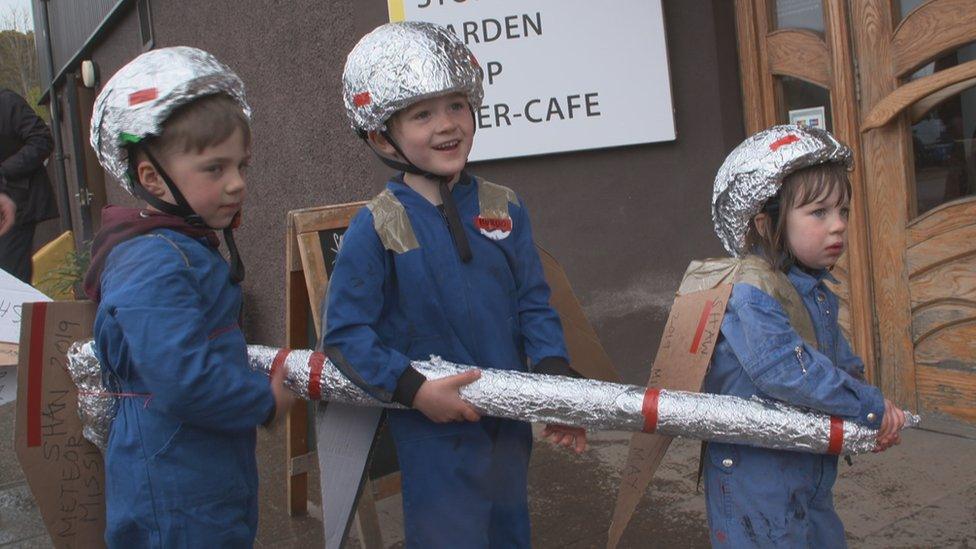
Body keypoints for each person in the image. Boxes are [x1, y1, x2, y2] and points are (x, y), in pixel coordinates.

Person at [325, 21, 586, 547]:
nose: (447, 125)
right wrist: (415, 392)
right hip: (433, 427)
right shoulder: (376, 225)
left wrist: (554, 373)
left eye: (456, 105)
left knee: (509, 530)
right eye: (422, 114)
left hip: (508, 421)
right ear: (382, 135)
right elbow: (346, 335)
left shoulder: (503, 206)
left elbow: (534, 302)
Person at [84, 47, 294, 546]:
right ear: (152, 177)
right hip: (175, 487)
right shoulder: (153, 261)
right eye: (214, 169)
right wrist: (262, 398)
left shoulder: (179, 247)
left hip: (203, 470)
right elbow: (181, 377)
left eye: (241, 165)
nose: (237, 184)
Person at [703, 124, 907, 547]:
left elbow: (836, 362)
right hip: (755, 480)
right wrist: (868, 407)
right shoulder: (751, 293)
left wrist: (870, 413)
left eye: (843, 212)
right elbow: (787, 370)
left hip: (804, 470)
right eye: (819, 213)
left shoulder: (811, 289)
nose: (838, 226)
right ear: (765, 222)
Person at [0, 88, 59, 281]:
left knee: (11, 280)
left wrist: (4, 170)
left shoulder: (7, 102)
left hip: (18, 205)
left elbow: (42, 139)